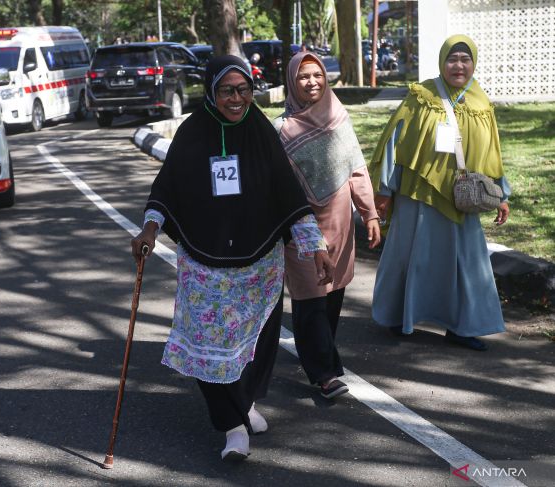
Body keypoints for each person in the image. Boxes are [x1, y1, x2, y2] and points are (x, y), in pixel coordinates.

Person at [131, 55, 334, 461]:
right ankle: (232, 426)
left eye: (244, 90)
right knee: (208, 347)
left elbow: (287, 192)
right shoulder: (192, 132)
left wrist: (315, 245)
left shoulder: (260, 130)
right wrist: (150, 228)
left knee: (256, 342)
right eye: (227, 90)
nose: (237, 98)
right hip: (204, 264)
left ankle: (246, 403)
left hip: (260, 262)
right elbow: (166, 188)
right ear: (211, 91)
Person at [368, 35, 511, 351]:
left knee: (466, 263)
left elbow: (492, 151)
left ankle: (462, 327)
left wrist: (501, 193)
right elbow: (395, 142)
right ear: (442, 61)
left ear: (473, 63)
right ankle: (397, 316)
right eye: (452, 59)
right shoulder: (422, 96)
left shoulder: (480, 102)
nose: (458, 66)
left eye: (465, 59)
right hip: (418, 193)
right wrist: (385, 190)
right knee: (409, 255)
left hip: (464, 197)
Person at [274, 52, 381, 399]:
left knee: (333, 293)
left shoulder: (338, 116)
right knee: (309, 299)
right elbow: (276, 186)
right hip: (301, 226)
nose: (312, 82)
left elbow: (356, 169)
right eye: (303, 77)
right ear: (292, 81)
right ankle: (324, 373)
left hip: (340, 221)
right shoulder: (282, 129)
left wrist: (370, 213)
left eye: (317, 75)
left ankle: (319, 354)